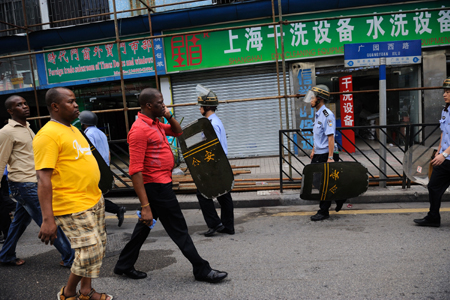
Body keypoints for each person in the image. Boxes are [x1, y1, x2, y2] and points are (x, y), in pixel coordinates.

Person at [113, 88, 227, 283]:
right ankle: (201, 269)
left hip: (161, 184)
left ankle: (123, 264)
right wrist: (145, 206)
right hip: (156, 188)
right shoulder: (139, 130)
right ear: (148, 105)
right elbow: (135, 171)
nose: (163, 105)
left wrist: (168, 115)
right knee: (179, 229)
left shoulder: (156, 123)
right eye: (159, 103)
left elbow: (178, 131)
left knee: (143, 228)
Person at [34, 87, 112, 300]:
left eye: (76, 101)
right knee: (91, 250)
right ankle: (68, 294)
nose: (76, 105)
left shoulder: (75, 130)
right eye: (70, 101)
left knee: (97, 247)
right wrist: (47, 219)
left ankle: (86, 292)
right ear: (55, 106)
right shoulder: (47, 135)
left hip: (93, 198)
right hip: (71, 203)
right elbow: (43, 179)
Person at [0, 95, 74, 267]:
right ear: (10, 111)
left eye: (25, 103)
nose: (25, 106)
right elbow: (1, 160)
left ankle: (6, 255)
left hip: (32, 181)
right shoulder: (6, 132)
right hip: (24, 183)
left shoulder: (28, 128)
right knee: (47, 219)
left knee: (19, 222)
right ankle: (71, 257)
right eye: (19, 105)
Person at [195, 86, 234, 237]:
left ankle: (215, 224)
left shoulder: (211, 123)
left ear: (207, 107)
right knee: (224, 195)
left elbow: (213, 148)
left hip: (215, 164)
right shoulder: (214, 121)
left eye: (201, 106)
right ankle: (228, 226)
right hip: (220, 163)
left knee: (202, 193)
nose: (199, 109)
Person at [304, 85, 346, 221]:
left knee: (324, 184)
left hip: (326, 154)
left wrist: (330, 157)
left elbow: (330, 137)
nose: (310, 100)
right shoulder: (318, 114)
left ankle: (323, 211)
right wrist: (313, 150)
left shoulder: (327, 115)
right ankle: (340, 197)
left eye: (312, 97)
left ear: (320, 99)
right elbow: (318, 136)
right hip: (318, 153)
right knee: (317, 182)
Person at [79, 110, 126, 227]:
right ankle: (115, 210)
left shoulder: (88, 135)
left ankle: (116, 209)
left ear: (83, 123)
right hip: (104, 167)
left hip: (95, 169)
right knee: (96, 194)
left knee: (93, 195)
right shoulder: (101, 133)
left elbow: (90, 153)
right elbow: (108, 152)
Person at [414, 77, 450, 227]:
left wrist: (445, 154)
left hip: (447, 157)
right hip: (444, 157)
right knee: (434, 185)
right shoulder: (445, 110)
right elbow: (444, 132)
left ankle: (433, 216)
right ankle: (433, 217)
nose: (444, 94)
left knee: (434, 185)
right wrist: (439, 150)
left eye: (448, 91)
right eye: (444, 91)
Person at [0, 167, 15, 243]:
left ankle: (15, 206)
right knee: (3, 203)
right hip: (3, 174)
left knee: (2, 204)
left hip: (2, 175)